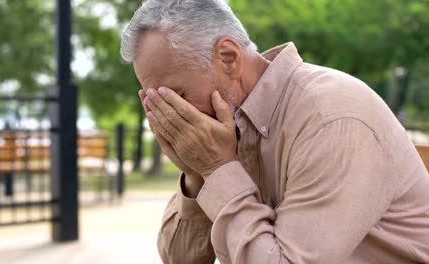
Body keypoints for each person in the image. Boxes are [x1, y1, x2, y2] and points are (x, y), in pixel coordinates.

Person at [120, 0, 429, 263]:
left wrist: (219, 170)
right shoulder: (229, 125)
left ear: (228, 58)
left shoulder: (330, 117)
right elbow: (180, 258)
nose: (169, 115)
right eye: (156, 102)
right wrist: (196, 174)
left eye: (177, 97)